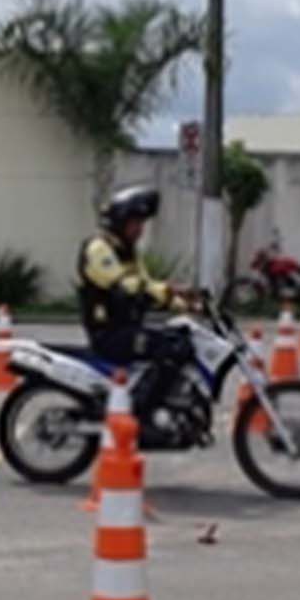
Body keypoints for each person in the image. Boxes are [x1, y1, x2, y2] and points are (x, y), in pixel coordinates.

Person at [75, 184, 192, 438]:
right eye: (134, 223)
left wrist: (187, 305)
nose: (140, 229)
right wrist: (168, 290)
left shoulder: (129, 251)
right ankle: (143, 414)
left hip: (127, 328)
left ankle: (164, 401)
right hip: (108, 334)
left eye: (141, 223)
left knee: (182, 338)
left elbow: (146, 285)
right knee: (170, 350)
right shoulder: (98, 248)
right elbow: (124, 285)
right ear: (119, 221)